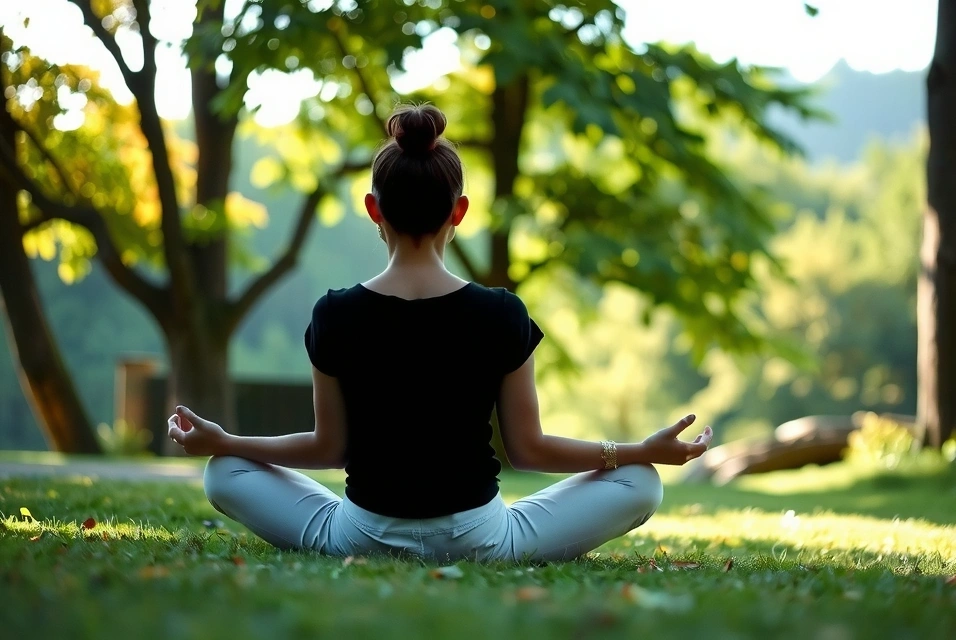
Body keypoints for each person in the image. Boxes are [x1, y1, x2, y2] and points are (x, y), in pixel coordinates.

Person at [166, 104, 713, 563]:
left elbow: (329, 447)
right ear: (461, 212)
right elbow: (529, 448)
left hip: (360, 535)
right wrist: (641, 449)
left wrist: (226, 442)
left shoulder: (334, 313)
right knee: (642, 482)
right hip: (481, 538)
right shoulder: (502, 313)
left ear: (373, 209)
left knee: (225, 472)